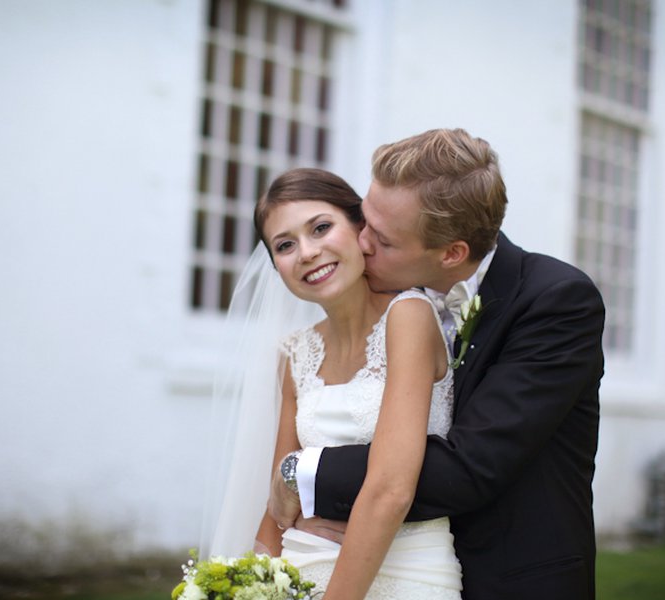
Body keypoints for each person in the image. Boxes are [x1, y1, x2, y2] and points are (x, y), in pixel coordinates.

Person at [268, 128, 606, 600]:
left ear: (451, 254)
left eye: (382, 240)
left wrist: (303, 472)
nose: (362, 244)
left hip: (511, 579)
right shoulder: (398, 295)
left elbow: (469, 467)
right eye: (363, 222)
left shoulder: (555, 303)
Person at [203, 167, 463, 599]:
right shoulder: (294, 353)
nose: (306, 252)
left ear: (360, 228)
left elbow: (392, 489)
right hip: (302, 566)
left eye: (321, 228)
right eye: (285, 245)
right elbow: (276, 505)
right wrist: (255, 582)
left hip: (410, 573)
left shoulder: (409, 315)